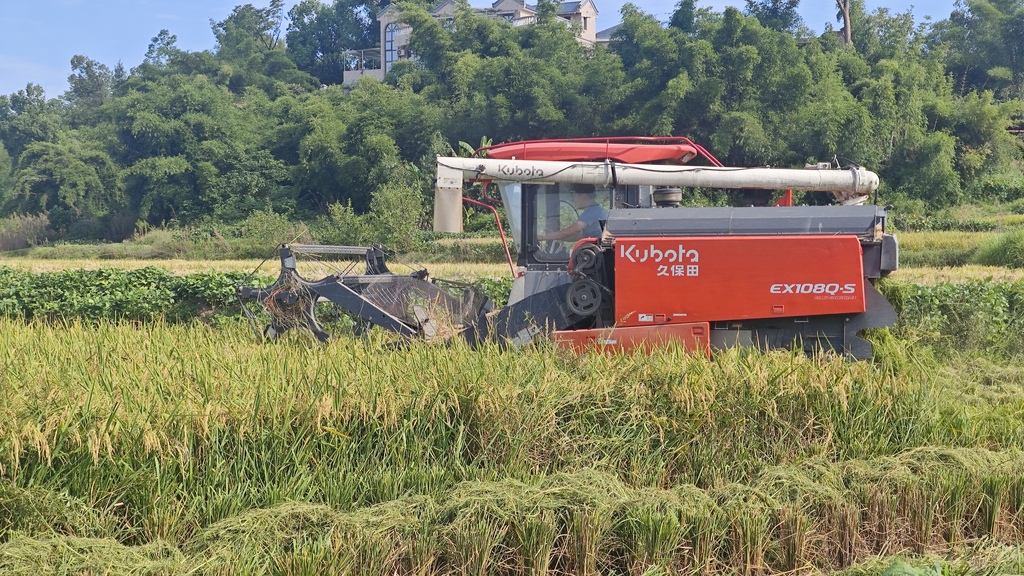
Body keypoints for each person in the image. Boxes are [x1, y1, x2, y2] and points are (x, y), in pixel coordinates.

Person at [538, 184, 607, 242]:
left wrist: (542, 238)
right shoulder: (596, 210)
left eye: (575, 197)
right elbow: (578, 236)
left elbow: (568, 232)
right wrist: (554, 236)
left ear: (584, 197)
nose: (574, 200)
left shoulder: (592, 212)